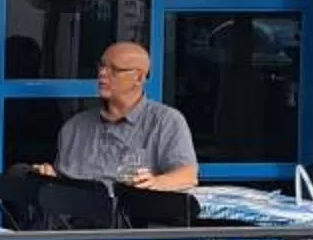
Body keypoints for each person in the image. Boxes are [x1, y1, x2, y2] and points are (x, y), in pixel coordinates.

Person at [36, 41, 199, 190]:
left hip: (131, 217)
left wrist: (154, 183)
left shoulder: (165, 121)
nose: (102, 73)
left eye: (114, 69)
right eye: (101, 66)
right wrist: (50, 176)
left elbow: (187, 176)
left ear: (140, 77)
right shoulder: (74, 126)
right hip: (74, 218)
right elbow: (63, 183)